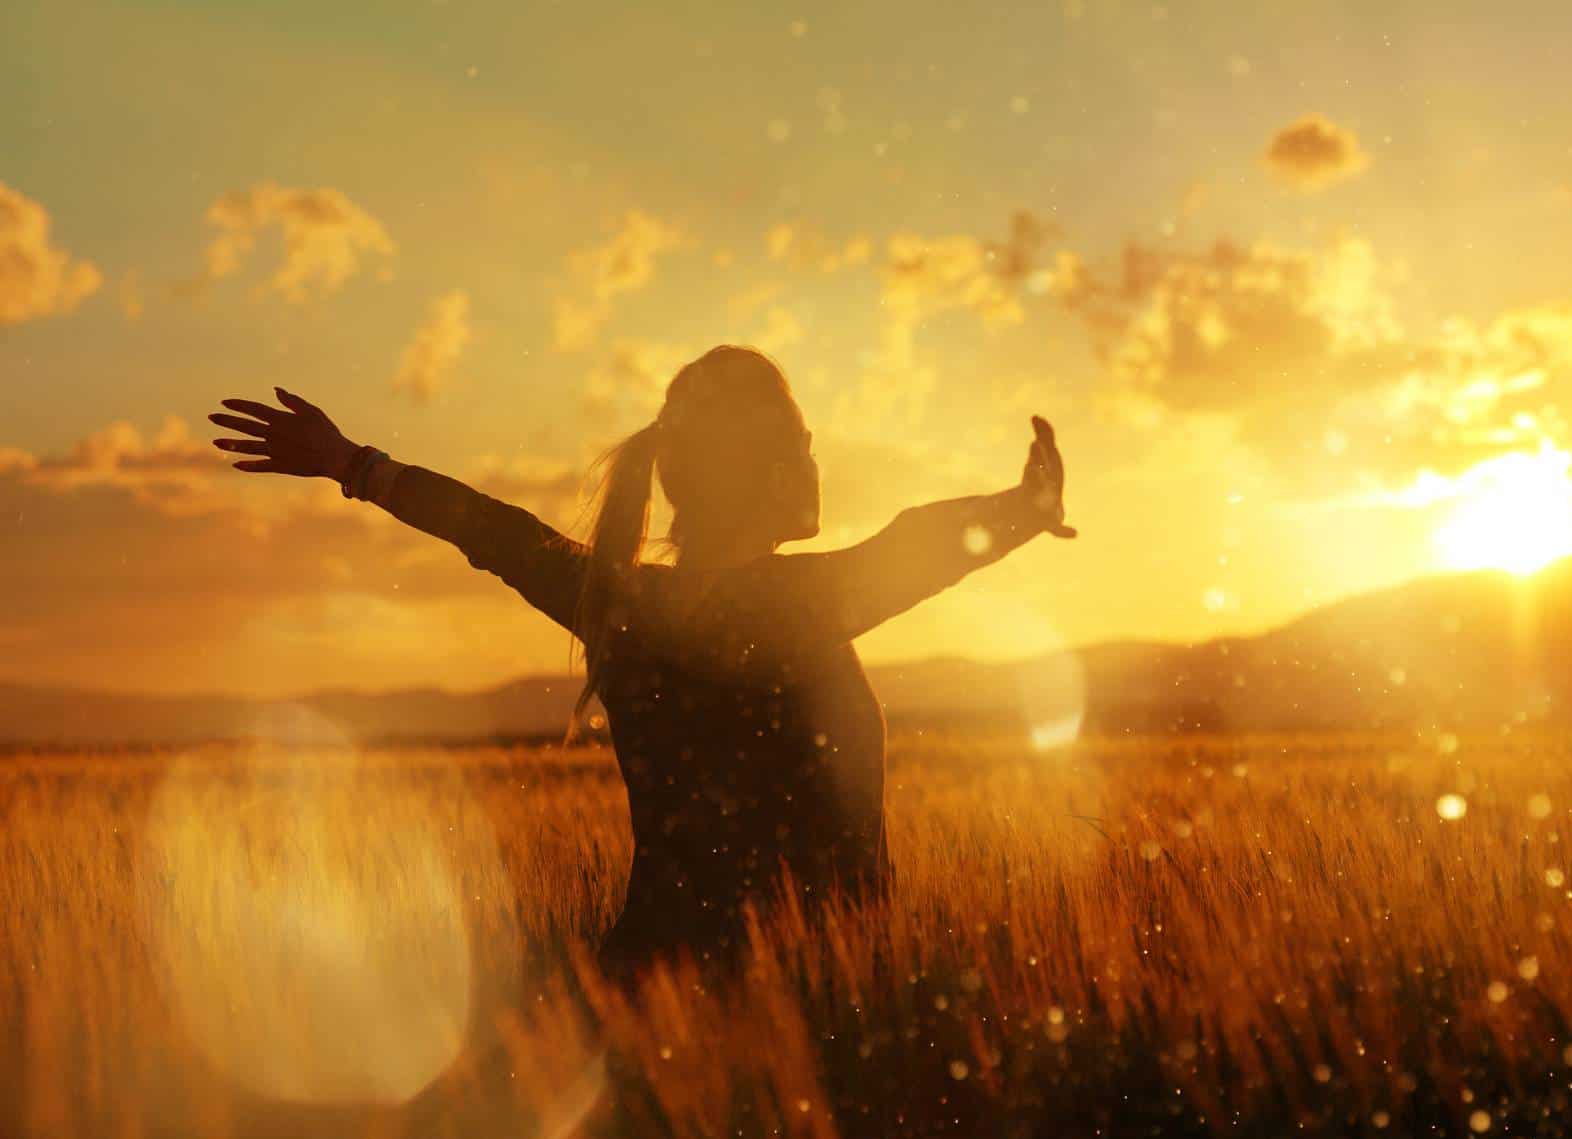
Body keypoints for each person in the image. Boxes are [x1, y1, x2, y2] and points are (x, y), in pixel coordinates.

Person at [209, 345, 1074, 980]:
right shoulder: (793, 607)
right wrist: (1021, 510)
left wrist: (354, 465)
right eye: (799, 444)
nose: (814, 463)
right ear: (759, 469)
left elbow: (494, 530)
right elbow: (914, 544)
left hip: (653, 988)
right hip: (793, 1011)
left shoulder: (620, 605)